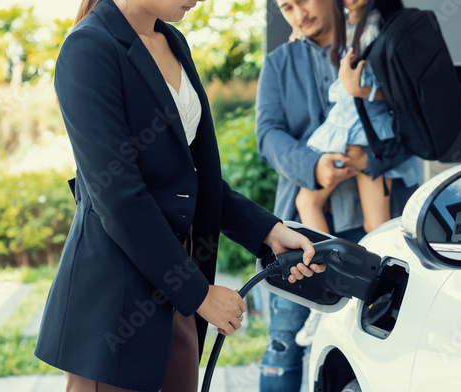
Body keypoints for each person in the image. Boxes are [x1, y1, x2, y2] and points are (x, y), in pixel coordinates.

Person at [34, 0, 324, 391]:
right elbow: (118, 196)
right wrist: (199, 294)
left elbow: (190, 178)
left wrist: (268, 231)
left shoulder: (171, 39)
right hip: (117, 302)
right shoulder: (88, 49)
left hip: (177, 279)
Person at [256, 0, 417, 390]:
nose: (299, 15)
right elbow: (268, 135)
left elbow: (413, 123)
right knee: (283, 345)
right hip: (300, 236)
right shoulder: (280, 63)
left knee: (382, 350)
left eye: (303, 2)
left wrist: (370, 157)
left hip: (381, 224)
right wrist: (313, 165)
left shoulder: (375, 43)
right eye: (287, 8)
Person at [295, 0, 420, 235]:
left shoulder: (377, 25)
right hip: (363, 131)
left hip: (358, 131)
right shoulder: (349, 21)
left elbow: (402, 92)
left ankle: (324, 270)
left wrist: (360, 90)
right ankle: (378, 270)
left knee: (308, 203)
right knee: (376, 226)